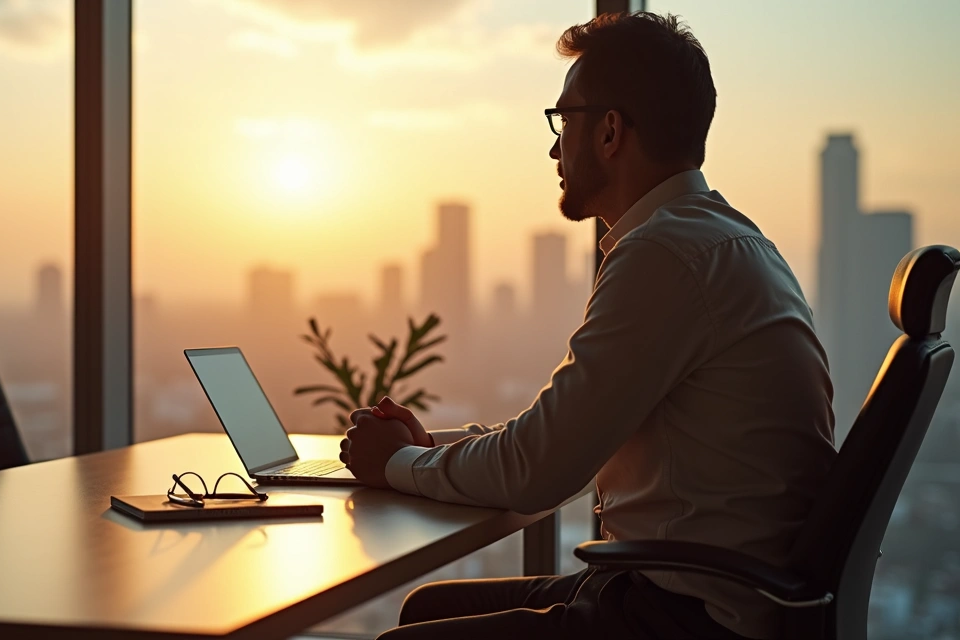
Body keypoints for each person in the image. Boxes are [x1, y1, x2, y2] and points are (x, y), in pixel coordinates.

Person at [339, 11, 837, 640]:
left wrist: (397, 465)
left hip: (692, 617)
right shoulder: (731, 241)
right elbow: (564, 431)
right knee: (425, 610)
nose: (553, 146)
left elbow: (540, 469)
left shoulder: (665, 256)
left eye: (562, 119)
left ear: (608, 131)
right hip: (698, 589)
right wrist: (428, 448)